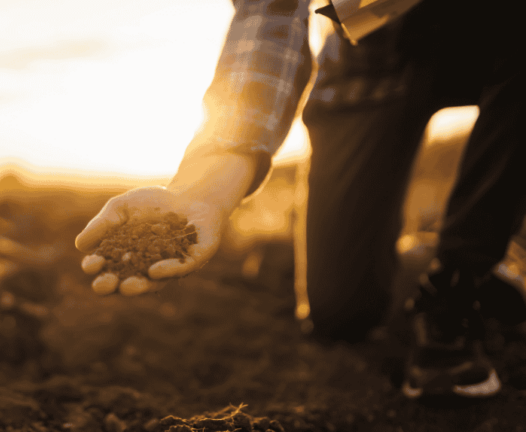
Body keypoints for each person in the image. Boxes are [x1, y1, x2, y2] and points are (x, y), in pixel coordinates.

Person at [76, 0, 525, 399]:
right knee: (341, 314)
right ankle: (436, 251)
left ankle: (460, 280)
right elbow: (270, 11)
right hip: (371, 56)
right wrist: (205, 189)